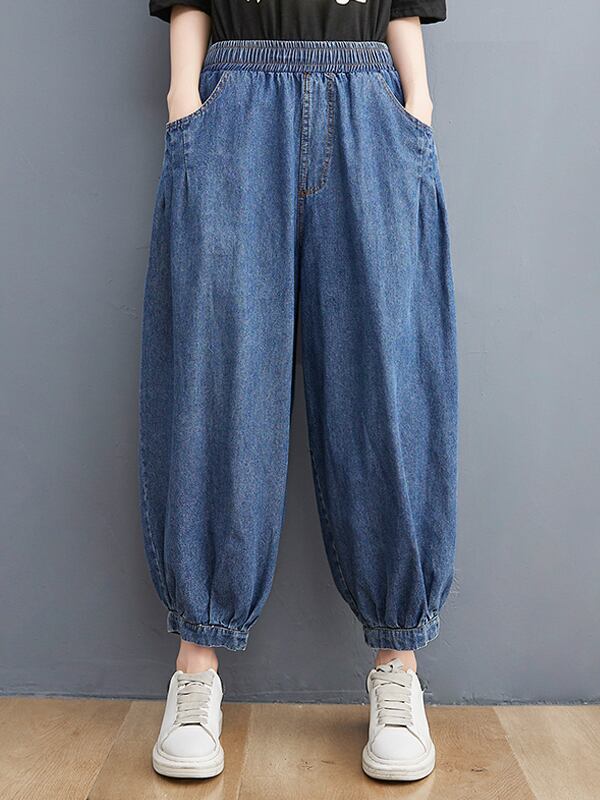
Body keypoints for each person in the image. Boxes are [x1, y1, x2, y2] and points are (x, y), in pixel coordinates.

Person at [140, 0, 457, 783]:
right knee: (217, 377)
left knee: (387, 380)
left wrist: (417, 101)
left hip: (369, 100)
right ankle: (196, 668)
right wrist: (184, 96)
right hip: (235, 100)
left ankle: (398, 667)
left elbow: (405, 4)